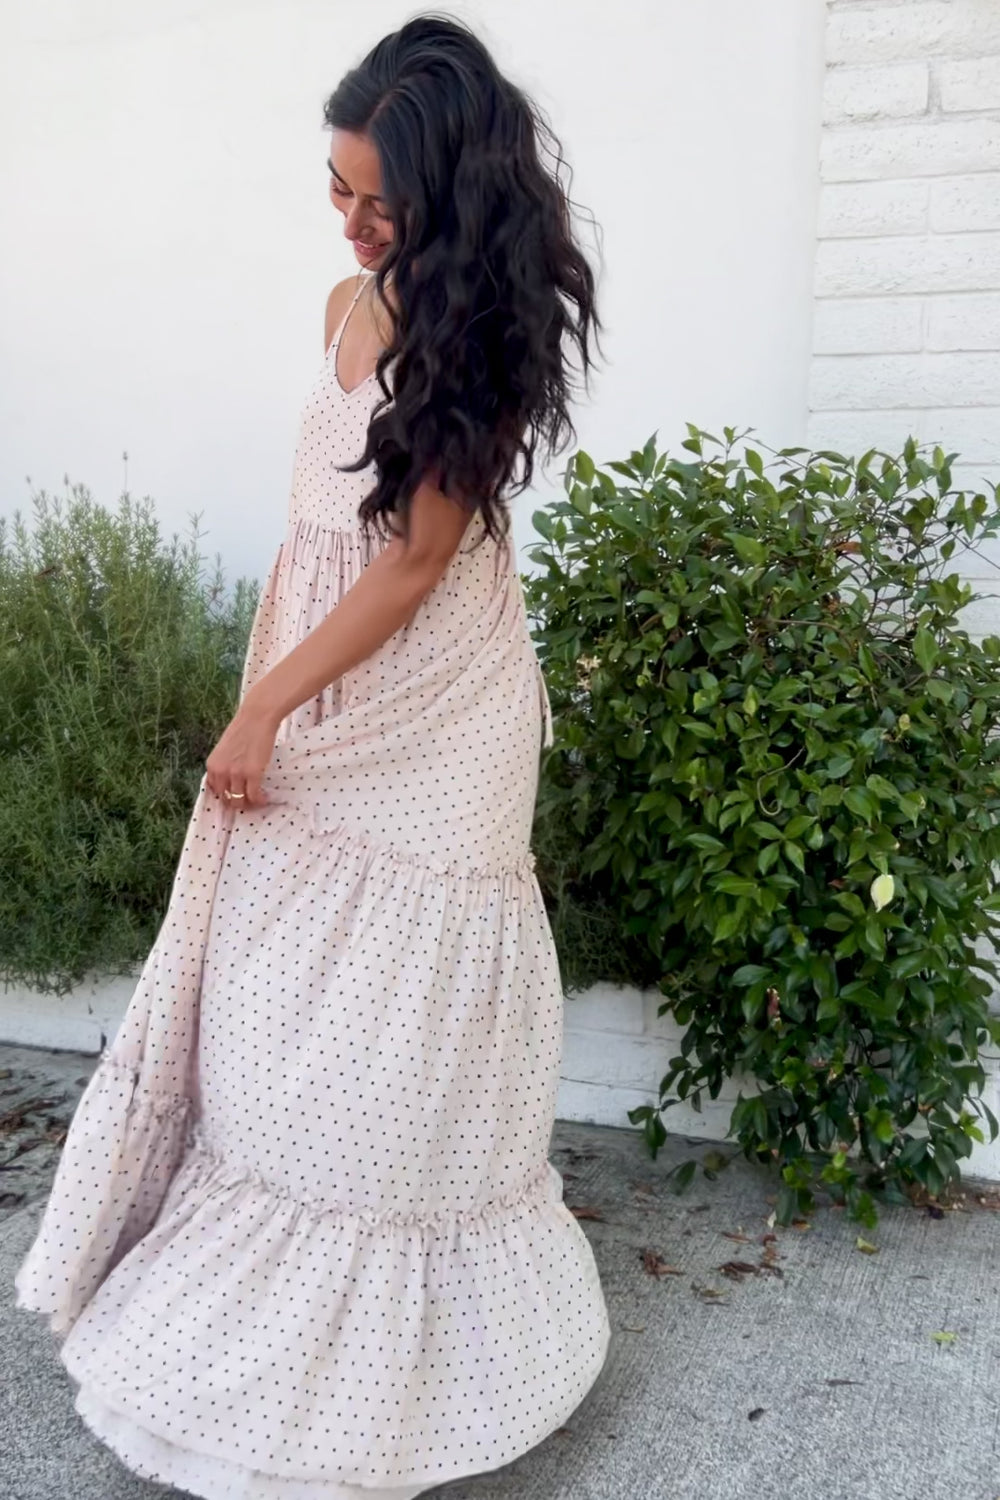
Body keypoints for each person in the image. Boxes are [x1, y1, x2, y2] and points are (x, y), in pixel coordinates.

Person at [15, 15, 611, 1499]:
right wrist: (279, 691)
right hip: (326, 668)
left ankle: (384, 1371)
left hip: (436, 705)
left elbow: (412, 564)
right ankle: (246, 1320)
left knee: (399, 1025)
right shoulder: (346, 301)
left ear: (450, 197)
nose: (348, 221)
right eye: (336, 188)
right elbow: (333, 536)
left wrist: (262, 707)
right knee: (278, 1000)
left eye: (378, 201)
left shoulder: (478, 331)